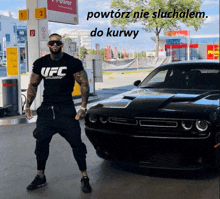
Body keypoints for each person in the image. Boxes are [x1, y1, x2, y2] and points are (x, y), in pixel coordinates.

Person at [25, 33, 91, 193]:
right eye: (52, 43)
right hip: (47, 111)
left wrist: (83, 107)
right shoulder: (40, 63)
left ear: (62, 45)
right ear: (48, 45)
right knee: (40, 144)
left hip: (66, 111)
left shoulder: (72, 62)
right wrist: (27, 105)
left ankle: (84, 177)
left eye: (58, 43)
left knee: (77, 145)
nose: (55, 45)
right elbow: (33, 85)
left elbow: (84, 83)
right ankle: (40, 176)